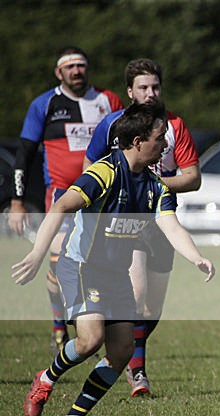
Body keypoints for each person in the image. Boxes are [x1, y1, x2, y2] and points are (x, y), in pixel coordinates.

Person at [12, 101, 215, 416]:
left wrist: (196, 257)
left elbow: (171, 226)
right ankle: (46, 378)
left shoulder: (156, 185)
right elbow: (61, 205)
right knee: (89, 340)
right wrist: (38, 253)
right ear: (138, 141)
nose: (165, 146)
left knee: (122, 351)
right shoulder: (105, 173)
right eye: (160, 138)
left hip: (116, 274)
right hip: (82, 267)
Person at [84, 58, 201, 397]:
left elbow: (193, 178)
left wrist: (153, 184)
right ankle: (136, 370)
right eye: (143, 87)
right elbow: (89, 166)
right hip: (125, 222)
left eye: (155, 87)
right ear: (129, 91)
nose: (151, 93)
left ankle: (121, 349)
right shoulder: (112, 124)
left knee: (152, 309)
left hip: (161, 221)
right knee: (136, 295)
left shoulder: (175, 125)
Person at [9, 46, 124, 357]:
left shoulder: (108, 100)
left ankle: (95, 326)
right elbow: (24, 154)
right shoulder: (44, 104)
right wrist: (17, 201)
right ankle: (60, 323)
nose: (76, 71)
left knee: (97, 260)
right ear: (58, 72)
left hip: (101, 194)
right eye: (70, 66)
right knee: (59, 258)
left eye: (81, 65)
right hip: (61, 194)